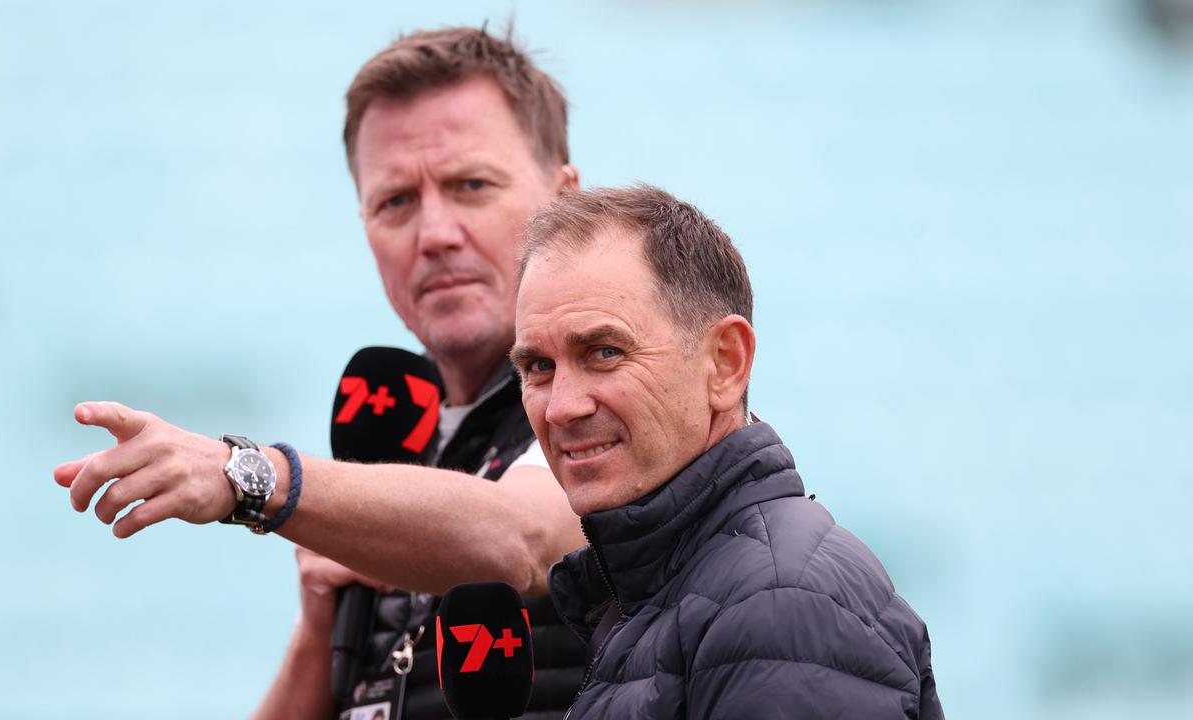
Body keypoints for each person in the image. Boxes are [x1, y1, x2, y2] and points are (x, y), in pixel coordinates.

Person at [52, 27, 587, 720]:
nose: (434, 234)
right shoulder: (393, 443)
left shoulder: (609, 395)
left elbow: (519, 537)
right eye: (396, 201)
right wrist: (319, 631)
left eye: (471, 186)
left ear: (564, 197)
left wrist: (251, 476)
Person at [510, 185, 944, 719]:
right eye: (539, 368)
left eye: (604, 352)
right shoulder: (669, 596)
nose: (561, 409)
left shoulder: (779, 608)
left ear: (726, 363)